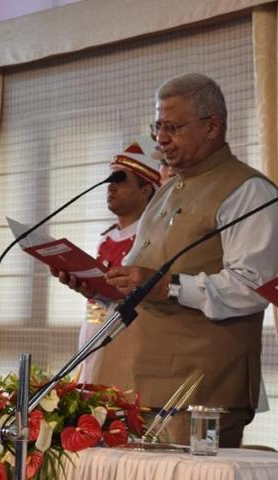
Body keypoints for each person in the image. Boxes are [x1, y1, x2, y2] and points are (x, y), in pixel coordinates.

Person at [56, 73, 278, 447]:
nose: (161, 138)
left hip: (194, 394)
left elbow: (251, 287)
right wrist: (98, 288)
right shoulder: (164, 194)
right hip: (129, 386)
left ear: (213, 127)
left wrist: (167, 285)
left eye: (173, 127)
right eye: (158, 126)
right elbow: (137, 282)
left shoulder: (249, 190)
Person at [78, 142, 160, 384]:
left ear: (146, 190)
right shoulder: (106, 237)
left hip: (129, 340)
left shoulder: (151, 238)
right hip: (94, 328)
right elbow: (96, 305)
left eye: (121, 179)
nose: (110, 186)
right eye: (110, 179)